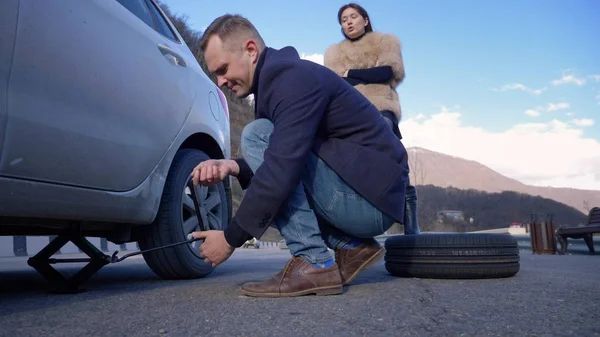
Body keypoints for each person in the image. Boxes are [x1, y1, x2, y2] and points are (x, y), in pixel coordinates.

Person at [190, 14, 410, 298]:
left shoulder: (292, 80)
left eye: (222, 69)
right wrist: (234, 166)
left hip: (369, 199)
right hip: (368, 194)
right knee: (264, 142)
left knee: (256, 135)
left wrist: (230, 238)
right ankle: (351, 246)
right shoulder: (281, 81)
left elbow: (281, 168)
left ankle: (314, 261)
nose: (220, 82)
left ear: (251, 50)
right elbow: (290, 152)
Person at [323, 3, 421, 235]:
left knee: (393, 152)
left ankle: (409, 214)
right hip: (347, 112)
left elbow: (387, 72)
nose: (348, 22)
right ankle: (350, 220)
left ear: (365, 20)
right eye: (343, 19)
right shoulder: (334, 52)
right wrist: (368, 74)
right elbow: (334, 83)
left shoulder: (385, 41)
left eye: (353, 16)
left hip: (380, 107)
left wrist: (351, 74)